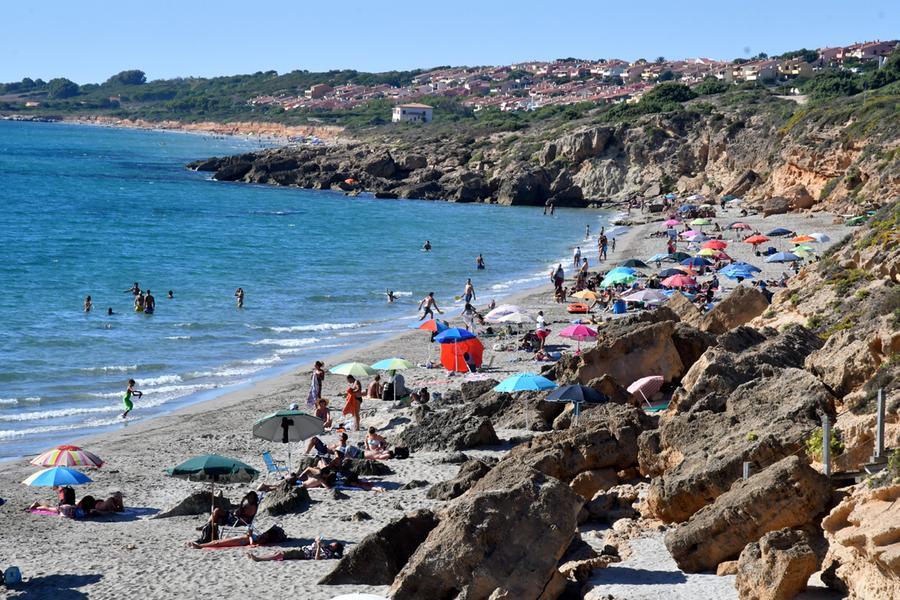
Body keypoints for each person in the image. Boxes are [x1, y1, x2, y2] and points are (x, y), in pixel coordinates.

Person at [189, 524, 287, 549]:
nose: (264, 533)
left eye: (266, 533)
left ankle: (201, 546)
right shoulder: (263, 537)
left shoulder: (264, 539)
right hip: (242, 539)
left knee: (219, 543)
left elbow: (253, 544)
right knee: (218, 542)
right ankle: (201, 545)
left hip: (243, 541)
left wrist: (249, 535)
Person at [247, 537, 344, 561]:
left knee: (280, 555)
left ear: (335, 549)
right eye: (331, 544)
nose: (330, 545)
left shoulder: (328, 554)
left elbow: (317, 558)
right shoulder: (325, 547)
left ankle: (258, 559)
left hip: (303, 554)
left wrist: (318, 546)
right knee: (278, 552)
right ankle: (258, 557)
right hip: (302, 550)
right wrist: (317, 541)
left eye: (332, 545)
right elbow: (315, 543)